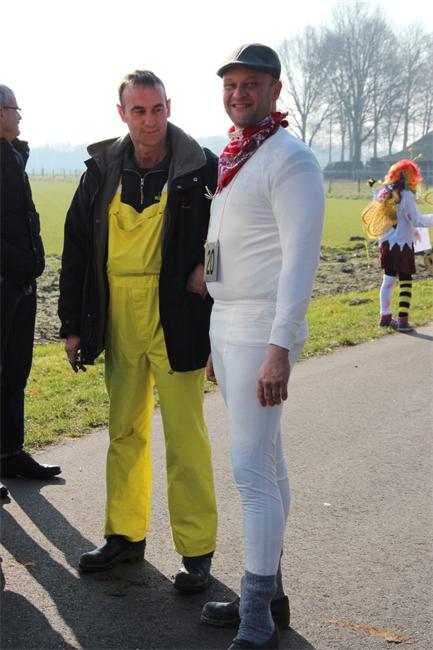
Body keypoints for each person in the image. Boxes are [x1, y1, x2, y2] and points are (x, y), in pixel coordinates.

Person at [58, 70, 218, 591]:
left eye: (157, 109)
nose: (150, 121)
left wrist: (208, 272)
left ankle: (196, 551)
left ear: (170, 106)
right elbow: (77, 249)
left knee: (185, 436)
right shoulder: (100, 171)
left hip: (178, 315)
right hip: (117, 315)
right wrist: (72, 325)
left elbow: (231, 233)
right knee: (124, 431)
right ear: (122, 114)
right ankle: (124, 535)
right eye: (139, 111)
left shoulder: (201, 168)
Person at [200, 45, 324, 649]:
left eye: (251, 83)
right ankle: (270, 597)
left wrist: (280, 347)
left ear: (276, 89)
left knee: (250, 472)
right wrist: (214, 339)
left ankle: (255, 615)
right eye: (231, 83)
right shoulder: (238, 156)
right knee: (268, 465)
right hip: (228, 324)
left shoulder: (290, 159)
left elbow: (300, 261)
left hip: (260, 327)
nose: (238, 93)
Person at [0, 84, 61, 497]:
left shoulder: (13, 156)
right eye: (15, 109)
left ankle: (9, 454)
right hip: (5, 280)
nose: (20, 116)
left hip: (22, 283)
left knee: (16, 371)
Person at [362, 159, 433, 332]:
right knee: (406, 281)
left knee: (388, 280)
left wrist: (374, 183)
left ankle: (385, 317)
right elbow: (416, 220)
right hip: (402, 245)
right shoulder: (406, 195)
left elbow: (373, 185)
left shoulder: (383, 193)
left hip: (387, 244)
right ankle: (402, 320)